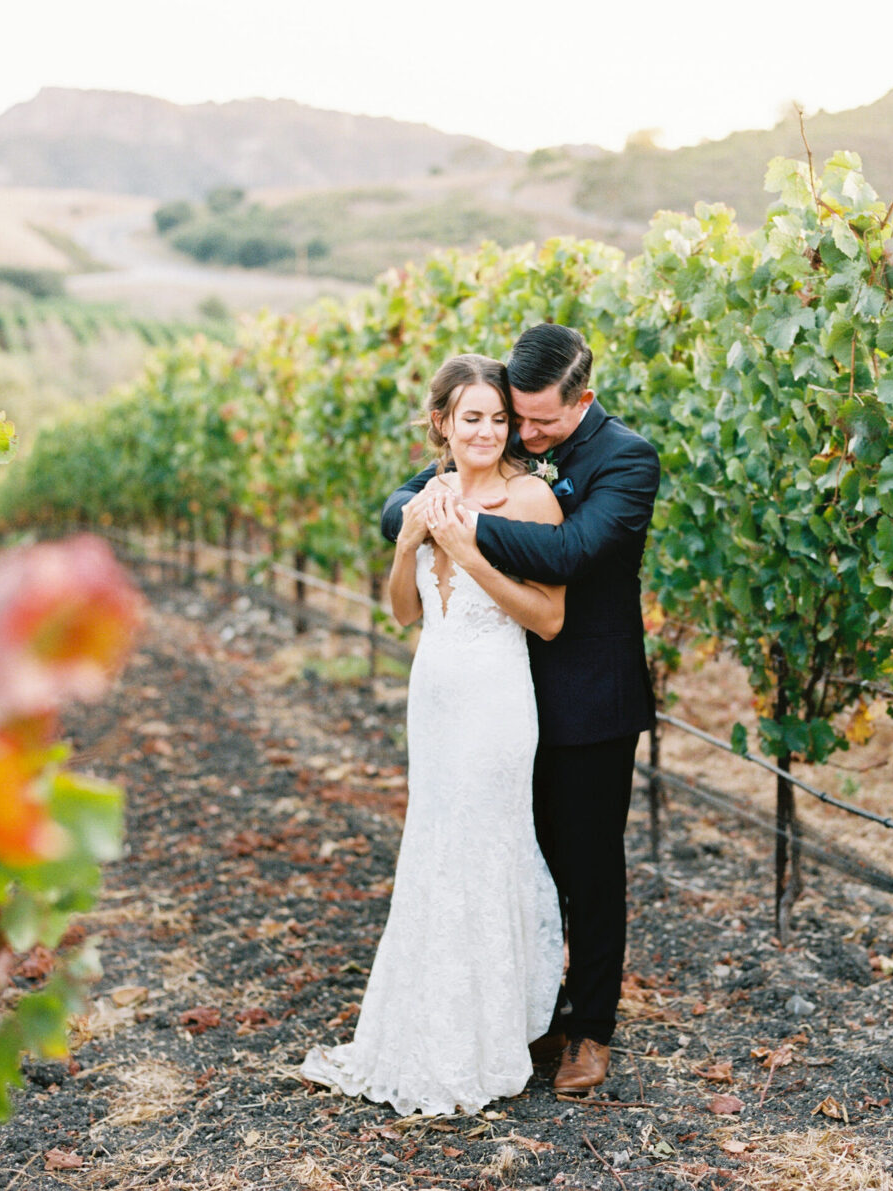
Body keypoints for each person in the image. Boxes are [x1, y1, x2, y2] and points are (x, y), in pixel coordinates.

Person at [381, 324, 660, 1093]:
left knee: (588, 865)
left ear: (584, 400)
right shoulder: (504, 447)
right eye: (513, 417)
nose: (524, 433)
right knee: (509, 853)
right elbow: (403, 497)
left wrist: (458, 531)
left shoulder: (627, 460)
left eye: (538, 422)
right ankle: (525, 1004)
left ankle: (592, 1029)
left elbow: (569, 557)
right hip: (492, 692)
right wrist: (415, 521)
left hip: (587, 696)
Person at [300, 354, 565, 1115]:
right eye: (470, 417)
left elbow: (547, 618)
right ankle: (421, 1026)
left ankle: (489, 1037)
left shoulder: (533, 501)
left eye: (497, 418)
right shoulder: (426, 495)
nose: (485, 430)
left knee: (485, 846)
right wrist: (405, 543)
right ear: (442, 423)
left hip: (496, 698)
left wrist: (465, 550)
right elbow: (403, 613)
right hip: (435, 695)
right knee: (433, 845)